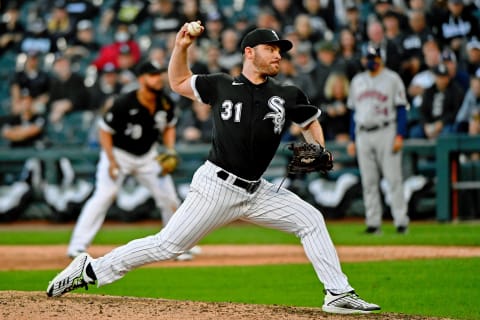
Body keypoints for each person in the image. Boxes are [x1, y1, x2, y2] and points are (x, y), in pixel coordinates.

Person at [46, 25, 381, 315]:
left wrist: (318, 147)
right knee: (167, 246)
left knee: (311, 220)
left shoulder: (287, 94)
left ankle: (338, 293)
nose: (278, 55)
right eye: (271, 49)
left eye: (280, 50)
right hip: (216, 186)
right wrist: (182, 46)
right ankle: (90, 270)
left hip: (258, 190)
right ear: (249, 53)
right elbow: (177, 81)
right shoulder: (221, 85)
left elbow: (310, 121)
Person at [65, 60, 182, 260]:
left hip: (148, 156)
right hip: (119, 155)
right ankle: (77, 245)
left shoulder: (165, 102)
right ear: (141, 79)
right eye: (153, 75)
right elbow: (104, 130)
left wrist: (170, 149)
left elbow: (170, 125)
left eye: (159, 74)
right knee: (104, 196)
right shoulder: (124, 102)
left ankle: (177, 246)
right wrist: (111, 161)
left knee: (169, 198)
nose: (158, 78)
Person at [346, 46, 409, 234]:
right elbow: (352, 112)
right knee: (368, 181)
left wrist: (400, 134)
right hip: (363, 133)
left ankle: (401, 221)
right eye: (366, 57)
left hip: (386, 130)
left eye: (372, 57)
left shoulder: (392, 79)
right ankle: (373, 223)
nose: (368, 61)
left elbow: (401, 108)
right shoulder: (357, 80)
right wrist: (351, 139)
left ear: (381, 58)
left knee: (393, 179)